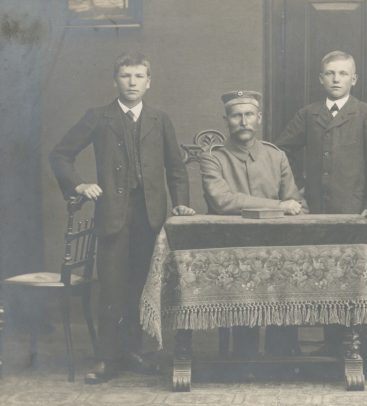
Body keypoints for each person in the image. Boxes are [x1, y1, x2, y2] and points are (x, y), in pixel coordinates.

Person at [50, 52, 195, 384]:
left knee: (142, 286)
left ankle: (135, 351)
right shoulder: (98, 117)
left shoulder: (160, 119)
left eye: (139, 76)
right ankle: (107, 358)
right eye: (126, 76)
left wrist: (182, 204)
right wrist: (79, 184)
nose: (132, 82)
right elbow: (60, 154)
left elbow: (176, 168)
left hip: (151, 216)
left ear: (148, 82)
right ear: (114, 80)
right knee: (112, 286)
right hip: (114, 215)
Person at [277, 50, 367, 355]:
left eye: (343, 73)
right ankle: (328, 344)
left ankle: (355, 345)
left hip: (353, 211)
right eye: (330, 73)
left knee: (350, 277)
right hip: (315, 210)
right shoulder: (308, 114)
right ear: (321, 78)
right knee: (321, 274)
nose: (337, 79)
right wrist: (294, 190)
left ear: (354, 78)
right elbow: (280, 151)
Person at [199, 90, 305, 360]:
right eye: (236, 116)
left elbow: (294, 200)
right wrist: (278, 206)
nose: (243, 121)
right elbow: (223, 201)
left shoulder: (276, 156)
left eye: (249, 115)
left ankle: (281, 357)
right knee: (239, 279)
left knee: (288, 274)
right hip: (233, 246)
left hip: (277, 244)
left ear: (258, 118)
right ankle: (242, 358)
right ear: (227, 120)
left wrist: (288, 205)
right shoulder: (214, 159)